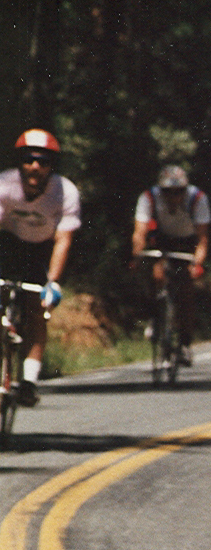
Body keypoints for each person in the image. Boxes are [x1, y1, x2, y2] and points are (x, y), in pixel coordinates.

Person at [0, 129, 81, 407]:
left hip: (43, 251)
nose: (35, 166)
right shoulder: (4, 184)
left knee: (36, 311)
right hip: (8, 244)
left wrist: (53, 282)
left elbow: (64, 240)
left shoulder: (65, 191)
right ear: (20, 162)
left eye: (43, 161)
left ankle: (29, 381)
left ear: (51, 166)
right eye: (29, 159)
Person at [132, 164, 210, 364]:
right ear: (161, 190)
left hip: (187, 242)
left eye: (179, 192)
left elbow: (202, 239)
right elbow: (139, 233)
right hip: (161, 239)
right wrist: (138, 255)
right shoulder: (148, 198)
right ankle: (154, 317)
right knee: (156, 275)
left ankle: (185, 342)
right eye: (168, 192)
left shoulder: (198, 199)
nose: (174, 197)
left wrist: (197, 264)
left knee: (186, 290)